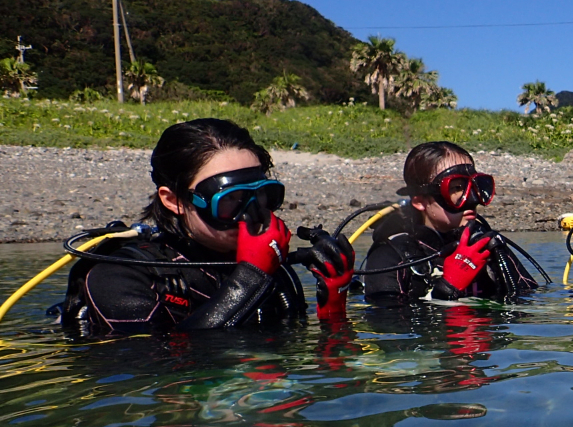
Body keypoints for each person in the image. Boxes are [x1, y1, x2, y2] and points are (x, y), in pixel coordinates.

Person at [61, 118, 354, 337]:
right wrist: (251, 278)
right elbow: (153, 368)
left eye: (263, 196)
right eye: (230, 201)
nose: (252, 214)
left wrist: (334, 300)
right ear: (173, 200)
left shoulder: (273, 267)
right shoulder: (116, 274)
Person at [361, 141, 538, 304]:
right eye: (456, 188)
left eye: (475, 186)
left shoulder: (486, 246)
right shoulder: (391, 255)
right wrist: (447, 288)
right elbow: (386, 323)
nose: (472, 199)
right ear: (420, 201)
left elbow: (532, 302)